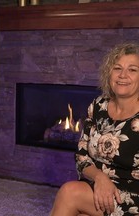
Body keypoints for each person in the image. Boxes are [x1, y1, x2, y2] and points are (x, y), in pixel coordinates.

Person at [50, 42, 139, 216]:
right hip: (99, 186)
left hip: (132, 196)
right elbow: (82, 155)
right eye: (117, 68)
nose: (123, 75)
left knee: (69, 193)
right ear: (109, 73)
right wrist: (100, 177)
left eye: (132, 70)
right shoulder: (99, 105)